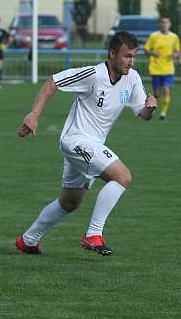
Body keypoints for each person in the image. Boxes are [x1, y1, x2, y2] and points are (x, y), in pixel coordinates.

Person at [15, 31, 157, 256]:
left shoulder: (133, 78)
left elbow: (143, 114)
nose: (131, 61)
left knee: (69, 202)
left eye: (134, 56)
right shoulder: (93, 74)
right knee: (122, 177)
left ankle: (28, 240)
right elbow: (53, 82)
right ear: (112, 54)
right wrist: (34, 114)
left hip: (92, 146)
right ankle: (93, 234)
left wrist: (149, 107)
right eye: (127, 56)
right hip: (76, 141)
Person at [144, 15, 181, 121]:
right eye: (162, 22)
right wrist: (152, 52)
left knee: (166, 90)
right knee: (156, 93)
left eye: (166, 22)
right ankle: (153, 108)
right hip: (156, 69)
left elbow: (177, 51)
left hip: (168, 69)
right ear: (160, 24)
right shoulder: (154, 36)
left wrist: (176, 55)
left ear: (170, 24)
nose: (164, 24)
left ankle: (163, 114)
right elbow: (146, 50)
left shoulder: (174, 37)